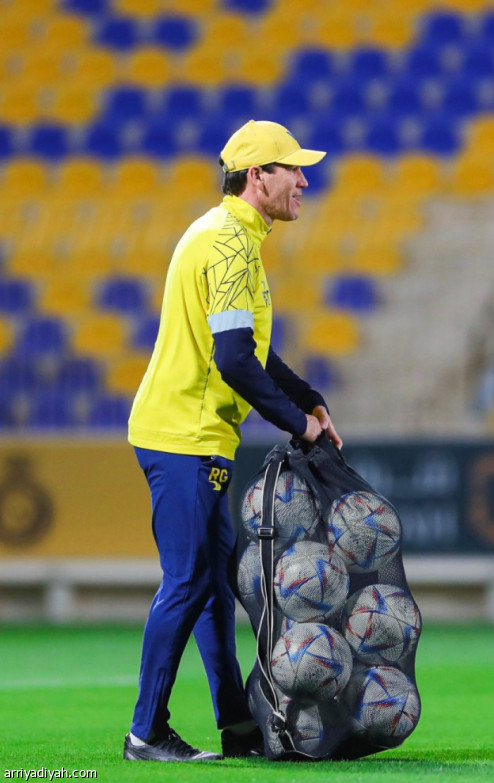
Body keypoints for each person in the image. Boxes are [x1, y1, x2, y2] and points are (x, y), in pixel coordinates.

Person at [123, 119, 342, 762]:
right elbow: (234, 361)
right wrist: (299, 425)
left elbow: (252, 352)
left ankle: (237, 728)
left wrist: (308, 398)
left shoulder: (227, 236)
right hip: (183, 436)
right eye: (292, 168)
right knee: (189, 580)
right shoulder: (229, 245)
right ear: (257, 177)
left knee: (215, 586)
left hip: (193, 435)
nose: (303, 181)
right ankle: (145, 733)